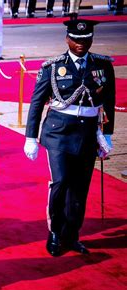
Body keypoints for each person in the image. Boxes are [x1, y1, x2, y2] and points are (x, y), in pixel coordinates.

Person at [24, 20, 116, 257]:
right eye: (76, 39)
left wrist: (107, 134)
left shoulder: (102, 65)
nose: (81, 45)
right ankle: (55, 232)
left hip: (86, 133)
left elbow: (109, 101)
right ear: (67, 39)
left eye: (85, 40)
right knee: (61, 181)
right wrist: (30, 137)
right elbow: (36, 102)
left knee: (80, 187)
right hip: (58, 133)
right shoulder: (53, 67)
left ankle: (71, 234)